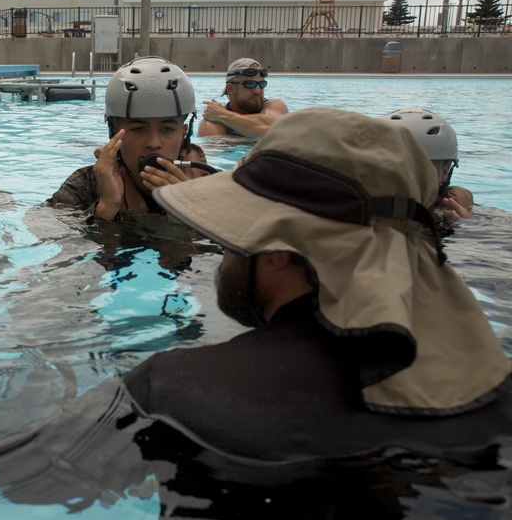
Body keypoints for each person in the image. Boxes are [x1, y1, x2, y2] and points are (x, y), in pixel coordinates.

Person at [125, 107, 511, 463]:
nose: (226, 251)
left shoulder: (171, 390)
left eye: (233, 232)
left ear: (277, 248)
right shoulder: (497, 394)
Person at [47, 56, 209, 222]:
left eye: (167, 129)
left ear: (184, 133)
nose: (154, 144)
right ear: (114, 132)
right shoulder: (87, 185)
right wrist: (106, 209)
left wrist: (187, 223)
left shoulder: (209, 187)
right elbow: (48, 235)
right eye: (138, 129)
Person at [384, 107, 473, 219]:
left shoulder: (455, 211)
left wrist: (468, 230)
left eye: (417, 170)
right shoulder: (359, 208)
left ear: (444, 172)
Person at [197, 57, 289, 138]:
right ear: (231, 89)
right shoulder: (213, 125)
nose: (258, 90)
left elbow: (275, 129)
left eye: (261, 84)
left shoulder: (275, 106)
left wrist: (222, 114)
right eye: (250, 84)